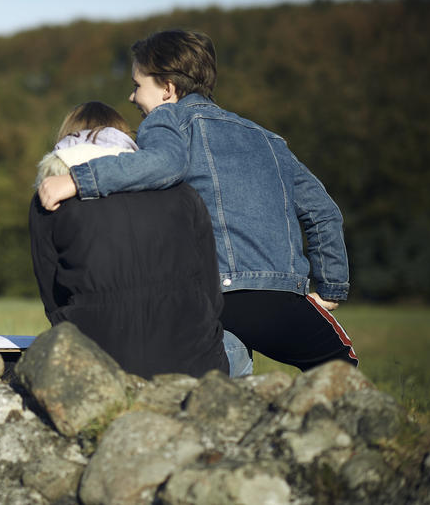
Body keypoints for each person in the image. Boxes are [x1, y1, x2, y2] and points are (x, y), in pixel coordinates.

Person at [38, 30, 357, 371]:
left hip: (213, 297)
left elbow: (164, 164)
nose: (132, 97)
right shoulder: (267, 139)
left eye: (137, 85)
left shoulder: (166, 120)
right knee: (341, 373)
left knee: (217, 383)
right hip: (283, 296)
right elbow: (323, 212)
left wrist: (77, 179)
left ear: (167, 89)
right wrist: (331, 288)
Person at [30, 101, 249, 379]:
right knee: (241, 352)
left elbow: (52, 296)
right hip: (193, 360)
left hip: (96, 361)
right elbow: (209, 289)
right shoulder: (183, 193)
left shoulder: (49, 199)